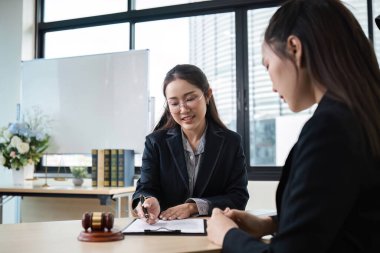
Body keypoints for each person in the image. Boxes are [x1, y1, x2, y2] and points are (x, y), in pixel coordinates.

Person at [207, 0, 380, 252]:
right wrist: (270, 224)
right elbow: (349, 212)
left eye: (267, 65)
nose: (272, 84)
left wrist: (228, 235)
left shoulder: (331, 128)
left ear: (294, 48)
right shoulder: (362, 114)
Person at [132, 64, 249, 224]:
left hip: (214, 229)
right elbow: (145, 188)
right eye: (174, 103)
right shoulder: (155, 142)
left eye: (190, 99)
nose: (183, 109)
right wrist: (148, 200)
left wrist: (193, 207)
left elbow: (238, 198)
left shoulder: (231, 142)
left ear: (207, 95)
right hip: (166, 232)